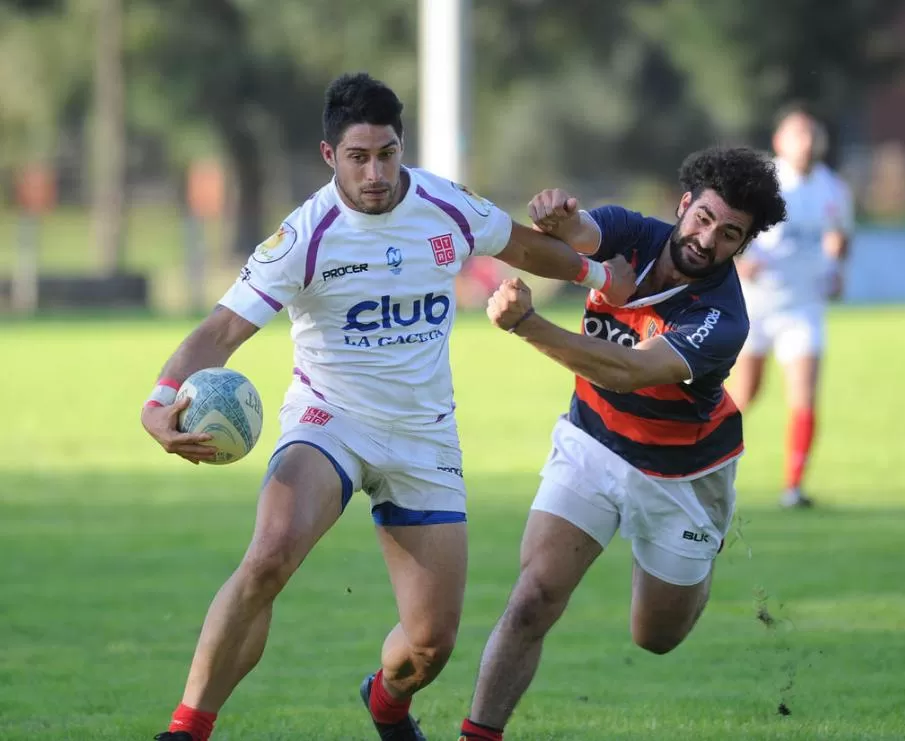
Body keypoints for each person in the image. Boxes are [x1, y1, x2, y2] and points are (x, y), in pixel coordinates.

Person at [142, 72, 636, 741]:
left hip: (424, 437)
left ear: (401, 146)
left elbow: (519, 244)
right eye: (358, 157)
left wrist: (601, 276)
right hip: (329, 422)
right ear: (329, 156)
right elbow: (221, 330)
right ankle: (187, 725)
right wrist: (161, 399)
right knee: (268, 555)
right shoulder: (306, 235)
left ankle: (386, 701)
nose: (375, 172)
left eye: (386, 154)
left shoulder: (445, 205)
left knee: (431, 644)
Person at [455, 147, 787, 741]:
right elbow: (582, 233)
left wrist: (528, 325)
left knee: (653, 638)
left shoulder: (723, 317)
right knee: (532, 597)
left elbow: (628, 370)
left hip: (681, 476)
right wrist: (558, 215)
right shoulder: (634, 231)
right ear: (685, 205)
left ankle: (700, 554)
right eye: (704, 219)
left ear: (743, 245)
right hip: (594, 439)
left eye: (730, 234)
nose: (708, 240)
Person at [730, 103, 855, 508]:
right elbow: (730, 230)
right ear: (779, 141)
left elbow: (839, 235)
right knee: (745, 393)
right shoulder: (763, 183)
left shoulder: (833, 189)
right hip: (757, 304)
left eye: (812, 134)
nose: (807, 142)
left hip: (803, 307)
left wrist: (835, 267)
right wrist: (740, 258)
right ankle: (699, 464)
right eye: (798, 134)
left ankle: (793, 488)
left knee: (804, 395)